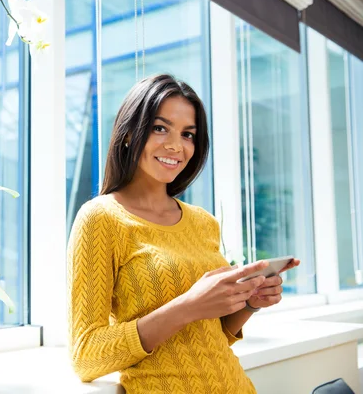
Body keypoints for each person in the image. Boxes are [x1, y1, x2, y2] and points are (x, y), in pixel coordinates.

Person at [66, 74, 300, 393]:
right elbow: (86, 357)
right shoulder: (100, 218)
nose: (176, 145)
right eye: (160, 128)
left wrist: (248, 304)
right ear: (128, 134)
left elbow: (213, 335)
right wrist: (187, 305)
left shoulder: (204, 223)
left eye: (188, 134)